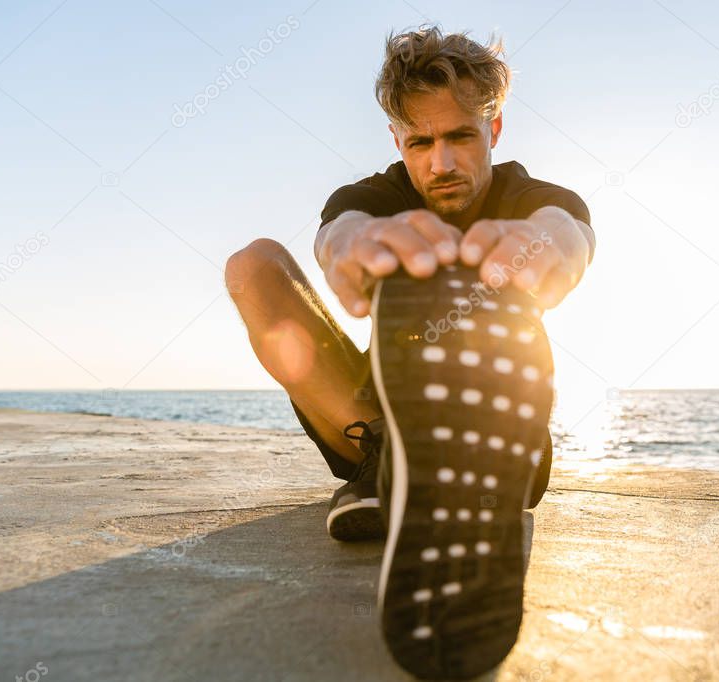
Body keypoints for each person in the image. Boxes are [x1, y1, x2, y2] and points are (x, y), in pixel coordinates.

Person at [225, 25, 594, 680]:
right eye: (420, 142)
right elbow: (340, 227)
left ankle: (471, 476)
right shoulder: (378, 197)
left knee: (483, 283)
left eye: (459, 137)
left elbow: (564, 226)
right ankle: (386, 466)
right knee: (253, 266)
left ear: (494, 130)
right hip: (368, 422)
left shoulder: (523, 196)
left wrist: (551, 248)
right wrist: (349, 247)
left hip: (493, 436)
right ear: (398, 141)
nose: (440, 163)